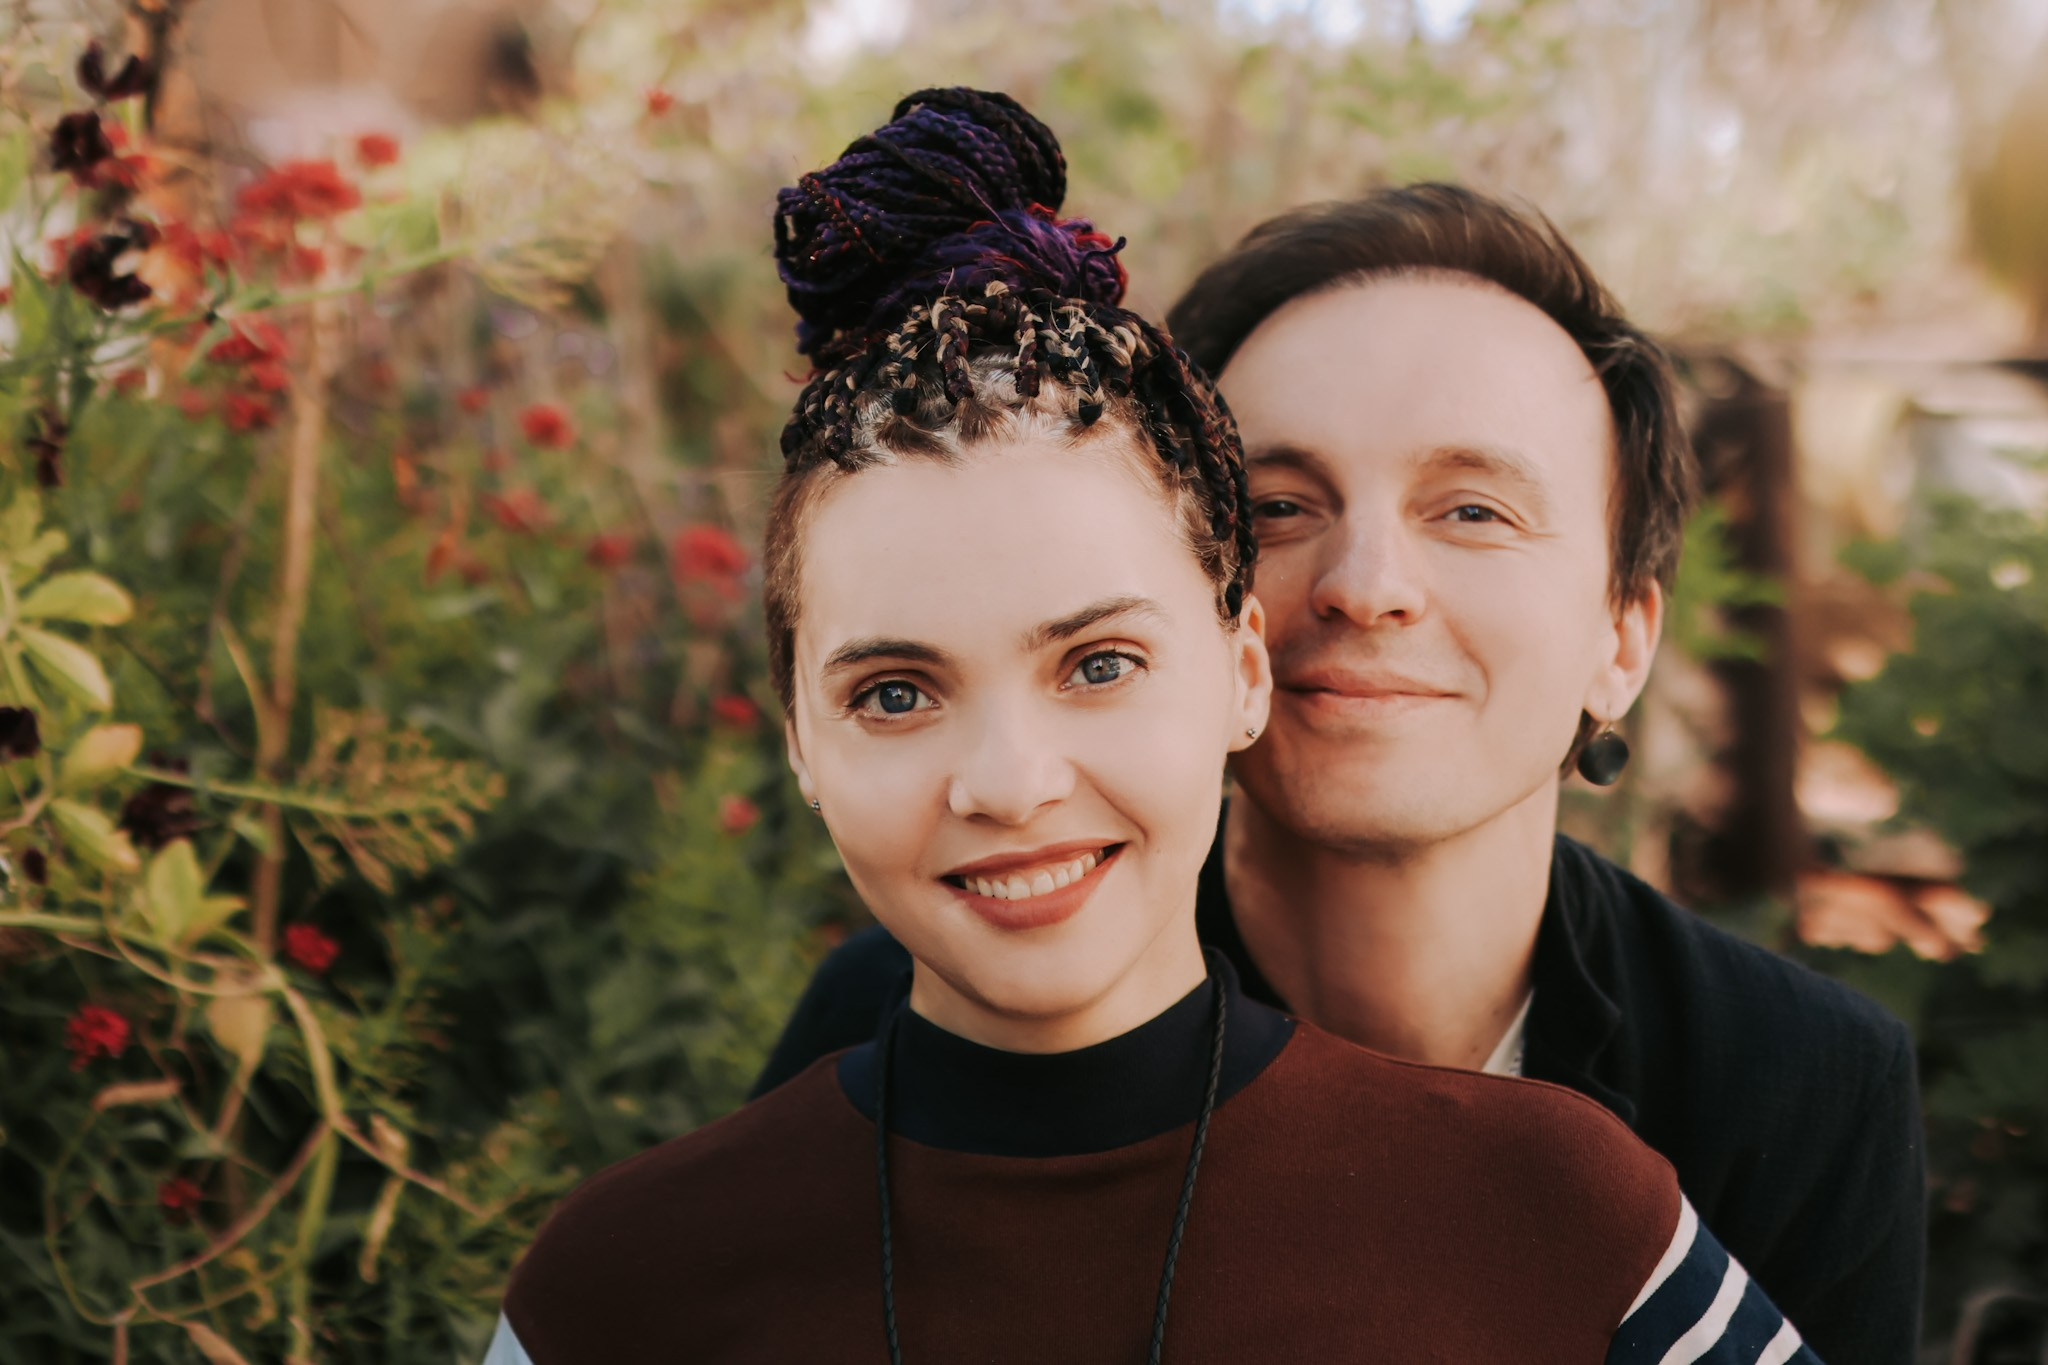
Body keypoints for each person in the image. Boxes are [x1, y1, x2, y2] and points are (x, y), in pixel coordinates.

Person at [488, 90, 1822, 1364]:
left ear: (1243, 667)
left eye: (1100, 663)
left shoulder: (1570, 1215)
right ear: (798, 732)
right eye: (895, 692)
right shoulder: (620, 1289)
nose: (1010, 783)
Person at [753, 185, 1926, 1361]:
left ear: (1621, 636)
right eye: (1275, 506)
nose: (1363, 584)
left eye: (1470, 510)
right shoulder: (908, 1018)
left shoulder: (1791, 1087)